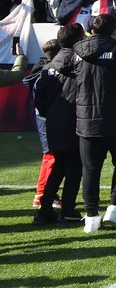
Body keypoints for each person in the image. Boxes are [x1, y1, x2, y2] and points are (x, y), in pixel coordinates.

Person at [57, 14, 116, 233]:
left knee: (90, 169)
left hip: (86, 119)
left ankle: (92, 216)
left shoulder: (76, 51)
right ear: (114, 30)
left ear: (91, 29)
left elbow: (60, 66)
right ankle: (115, 208)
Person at [28, 30, 80, 225]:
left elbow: (39, 98)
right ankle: (67, 210)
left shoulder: (47, 67)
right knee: (74, 168)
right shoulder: (79, 65)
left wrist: (51, 113)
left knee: (58, 166)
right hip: (75, 121)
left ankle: (44, 210)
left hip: (53, 122)